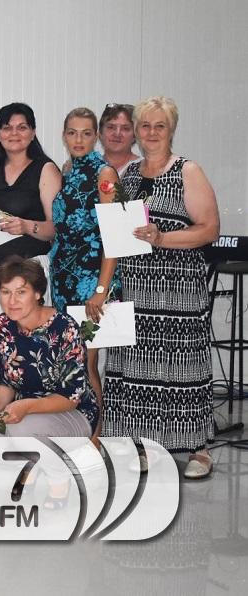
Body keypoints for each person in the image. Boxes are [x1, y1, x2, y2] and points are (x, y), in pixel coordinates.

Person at [104, 96, 220, 479]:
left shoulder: (188, 171)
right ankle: (147, 446)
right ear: (136, 131)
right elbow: (117, 236)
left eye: (160, 126)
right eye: (145, 126)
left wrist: (162, 238)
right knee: (138, 371)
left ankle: (199, 449)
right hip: (135, 290)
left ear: (172, 130)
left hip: (178, 291)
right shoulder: (128, 175)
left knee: (184, 368)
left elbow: (209, 229)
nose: (151, 133)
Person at [0, 256, 97, 506]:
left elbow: (71, 398)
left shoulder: (65, 328)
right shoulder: (2, 326)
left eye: (21, 292)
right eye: (5, 292)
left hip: (72, 413)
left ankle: (59, 479)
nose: (12, 300)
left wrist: (26, 407)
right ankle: (31, 465)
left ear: (38, 293)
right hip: (24, 412)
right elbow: (5, 380)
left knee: (22, 429)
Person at [48, 108, 120, 441]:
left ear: (96, 137)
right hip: (64, 279)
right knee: (71, 364)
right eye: (72, 132)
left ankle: (94, 441)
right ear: (64, 136)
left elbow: (115, 237)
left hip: (92, 282)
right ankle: (75, 436)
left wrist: (101, 290)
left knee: (88, 364)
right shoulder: (68, 169)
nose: (79, 139)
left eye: (86, 133)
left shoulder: (105, 173)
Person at [0, 103, 62, 351]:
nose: (14, 133)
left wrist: (27, 226)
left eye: (22, 127)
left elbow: (56, 229)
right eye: (7, 127)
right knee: (1, 349)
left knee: (32, 348)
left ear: (33, 133)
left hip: (28, 274)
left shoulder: (45, 169)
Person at [98, 103, 141, 176]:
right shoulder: (88, 169)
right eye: (111, 127)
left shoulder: (146, 169)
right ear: (100, 133)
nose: (117, 134)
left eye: (125, 128)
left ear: (135, 135)